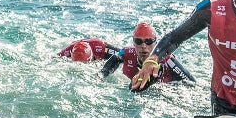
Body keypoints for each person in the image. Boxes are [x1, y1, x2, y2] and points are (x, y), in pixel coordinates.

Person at [60, 23, 195, 85]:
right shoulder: (126, 53)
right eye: (139, 41)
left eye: (148, 42)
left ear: (156, 43)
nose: (144, 46)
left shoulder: (168, 61)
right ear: (133, 43)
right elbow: (110, 65)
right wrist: (100, 76)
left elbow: (192, 83)